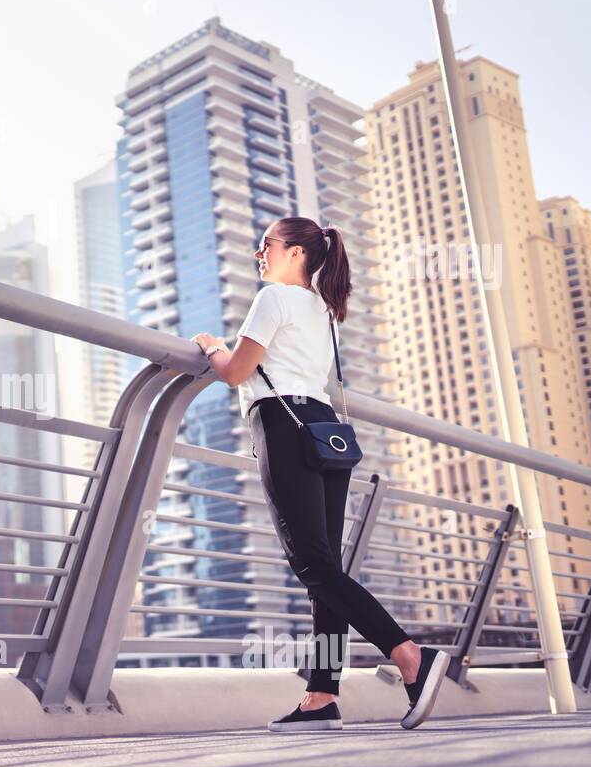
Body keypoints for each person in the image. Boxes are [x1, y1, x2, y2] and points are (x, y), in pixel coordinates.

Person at [190, 217, 449, 731]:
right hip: (324, 430)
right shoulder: (323, 309)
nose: (258, 254)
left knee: (312, 566)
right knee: (325, 571)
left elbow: (237, 373)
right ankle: (321, 696)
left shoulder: (273, 299)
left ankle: (408, 654)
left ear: (295, 253)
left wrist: (211, 346)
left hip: (282, 426)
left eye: (266, 245)